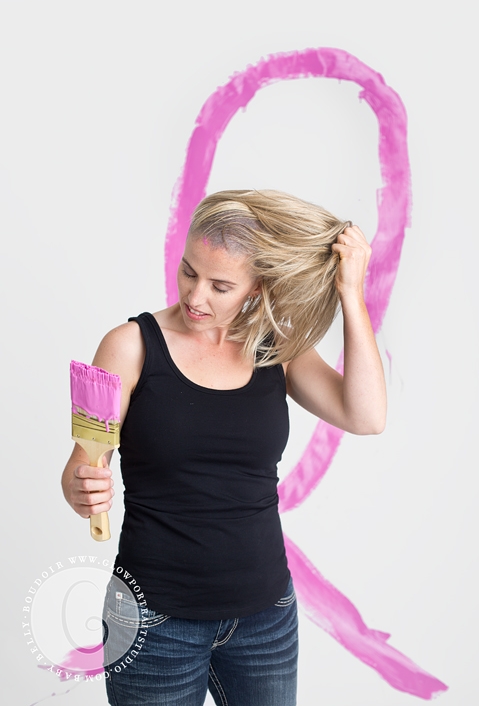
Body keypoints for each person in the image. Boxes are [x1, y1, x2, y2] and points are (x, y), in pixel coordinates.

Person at [62, 189, 386, 706]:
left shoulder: (274, 347)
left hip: (266, 619)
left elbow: (366, 416)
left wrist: (351, 293)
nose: (196, 297)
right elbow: (84, 462)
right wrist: (82, 487)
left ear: (257, 287)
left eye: (220, 286)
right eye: (188, 272)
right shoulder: (128, 347)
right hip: (153, 622)